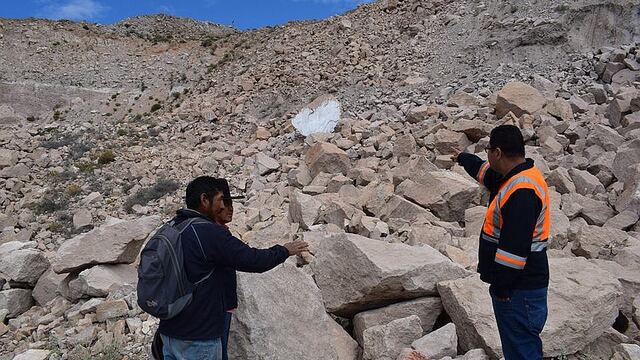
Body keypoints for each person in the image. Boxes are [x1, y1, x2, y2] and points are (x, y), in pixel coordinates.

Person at [158, 175, 309, 360]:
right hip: (198, 337)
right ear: (204, 200)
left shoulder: (173, 227)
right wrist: (284, 250)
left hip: (168, 332)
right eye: (222, 200)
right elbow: (253, 260)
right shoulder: (209, 233)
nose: (226, 207)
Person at [452, 125, 550, 360]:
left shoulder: (522, 191)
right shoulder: (515, 176)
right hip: (522, 287)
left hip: (519, 290)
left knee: (522, 351)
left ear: (497, 152)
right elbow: (485, 173)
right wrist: (464, 158)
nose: (487, 155)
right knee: (520, 347)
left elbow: (514, 250)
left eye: (487, 150)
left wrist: (501, 288)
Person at [211, 178, 243, 360]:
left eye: (231, 203)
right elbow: (250, 259)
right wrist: (285, 250)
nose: (230, 208)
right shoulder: (216, 235)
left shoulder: (217, 231)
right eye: (225, 203)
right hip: (217, 308)